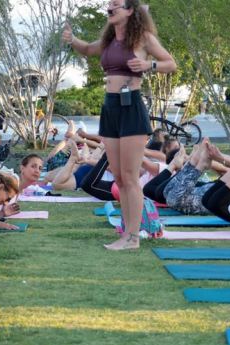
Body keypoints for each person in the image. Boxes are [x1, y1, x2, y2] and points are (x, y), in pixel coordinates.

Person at [62, 0, 176, 250]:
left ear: (130, 11)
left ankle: (133, 237)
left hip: (131, 107)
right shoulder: (109, 39)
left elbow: (171, 63)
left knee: (130, 177)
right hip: (110, 107)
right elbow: (88, 49)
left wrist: (149, 65)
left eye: (116, 4)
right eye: (109, 4)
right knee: (119, 177)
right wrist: (71, 40)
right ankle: (126, 233)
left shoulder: (143, 38)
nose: (110, 7)